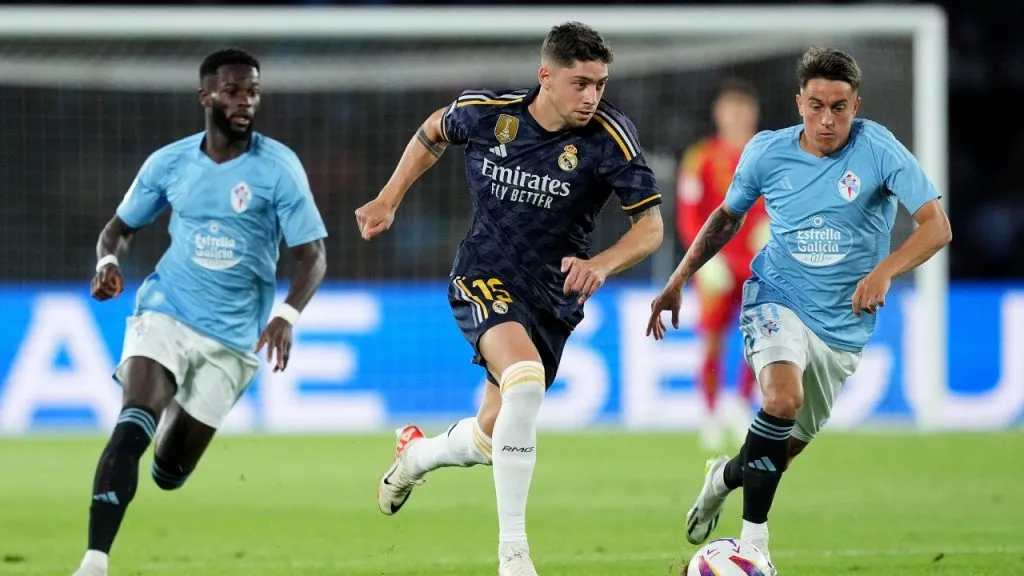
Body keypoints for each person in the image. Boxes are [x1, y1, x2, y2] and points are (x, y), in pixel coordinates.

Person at [355, 21, 663, 576]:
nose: (592, 95)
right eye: (580, 83)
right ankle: (513, 556)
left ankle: (416, 456)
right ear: (546, 76)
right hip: (483, 274)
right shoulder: (488, 112)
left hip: (552, 298)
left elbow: (650, 229)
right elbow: (432, 132)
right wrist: (388, 198)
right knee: (524, 379)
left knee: (492, 434)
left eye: (600, 83)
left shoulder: (610, 137)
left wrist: (600, 264)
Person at [647, 47, 951, 572]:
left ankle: (722, 478)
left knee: (778, 453)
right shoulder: (766, 152)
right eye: (815, 106)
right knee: (781, 400)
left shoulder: (879, 149)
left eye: (839, 107)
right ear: (798, 102)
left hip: (842, 325)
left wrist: (885, 271)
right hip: (776, 294)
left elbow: (936, 226)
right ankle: (754, 546)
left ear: (857, 104)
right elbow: (725, 218)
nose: (826, 120)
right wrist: (678, 281)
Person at [72, 49, 328, 576]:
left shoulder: (277, 167)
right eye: (233, 90)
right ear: (206, 96)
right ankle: (94, 561)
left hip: (232, 340)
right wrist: (106, 262)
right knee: (131, 426)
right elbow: (118, 229)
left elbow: (314, 255)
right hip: (167, 309)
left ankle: (170, 406)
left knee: (169, 472)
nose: (245, 101)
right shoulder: (169, 163)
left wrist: (287, 315)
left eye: (253, 91)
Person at [676, 80, 769, 452]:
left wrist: (772, 228)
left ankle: (742, 404)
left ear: (753, 113)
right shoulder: (700, 157)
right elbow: (687, 213)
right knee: (712, 340)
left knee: (760, 337)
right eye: (730, 110)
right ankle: (710, 412)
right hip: (716, 263)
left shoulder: (769, 154)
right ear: (719, 114)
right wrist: (700, 259)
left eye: (742, 111)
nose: (736, 117)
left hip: (759, 264)